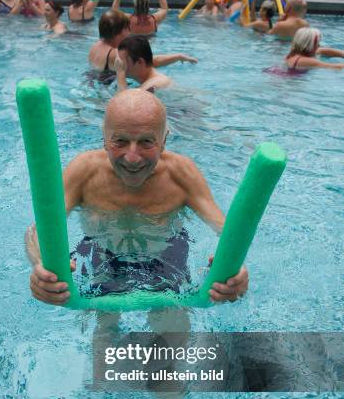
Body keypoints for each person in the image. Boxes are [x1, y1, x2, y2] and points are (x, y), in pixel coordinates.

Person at [27, 90, 249, 309]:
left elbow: (226, 232)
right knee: (104, 332)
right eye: (120, 141)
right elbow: (37, 231)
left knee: (173, 332)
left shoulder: (181, 175)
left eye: (146, 142)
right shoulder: (84, 173)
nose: (132, 158)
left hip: (166, 255)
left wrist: (232, 271)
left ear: (164, 140)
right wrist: (41, 266)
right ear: (104, 139)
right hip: (102, 254)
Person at [88, 10, 199, 84]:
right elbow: (148, 62)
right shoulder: (115, 54)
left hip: (92, 84)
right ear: (118, 32)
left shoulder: (95, 47)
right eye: (127, 28)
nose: (129, 32)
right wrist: (178, 56)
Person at [115, 35, 197, 92]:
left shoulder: (152, 87)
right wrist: (178, 56)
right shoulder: (148, 67)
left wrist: (120, 73)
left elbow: (123, 105)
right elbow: (156, 60)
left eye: (123, 61)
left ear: (140, 62)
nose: (120, 64)